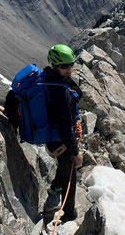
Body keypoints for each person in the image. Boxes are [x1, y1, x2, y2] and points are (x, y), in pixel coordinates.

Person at [43, 44, 83, 222]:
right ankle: (69, 214)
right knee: (71, 177)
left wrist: (67, 78)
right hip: (60, 140)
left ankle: (54, 188)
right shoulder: (59, 91)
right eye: (64, 66)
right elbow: (65, 125)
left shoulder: (51, 78)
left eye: (71, 64)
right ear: (55, 66)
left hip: (56, 138)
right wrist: (75, 152)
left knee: (66, 167)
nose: (69, 69)